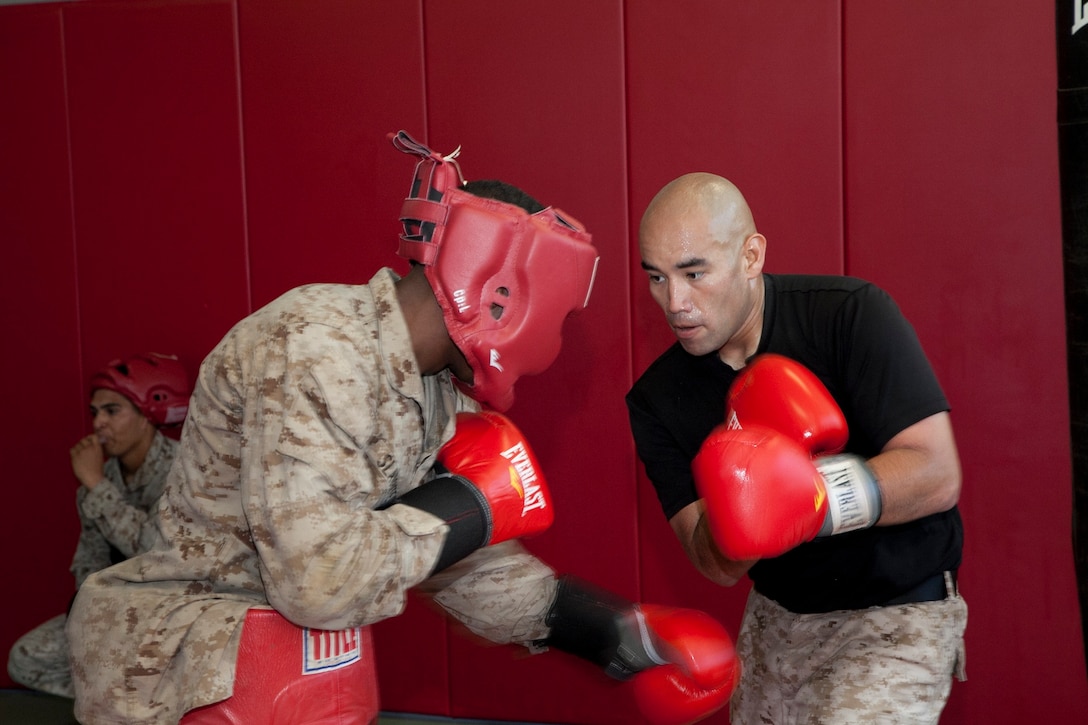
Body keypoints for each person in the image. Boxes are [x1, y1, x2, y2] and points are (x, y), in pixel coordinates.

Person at [66, 132, 739, 725]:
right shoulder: (316, 346)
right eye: (558, 316)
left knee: (316, 667)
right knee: (296, 662)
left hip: (269, 664)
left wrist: (611, 631)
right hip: (178, 662)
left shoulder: (440, 396)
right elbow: (318, 579)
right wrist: (471, 506)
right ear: (500, 289)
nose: (554, 340)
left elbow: (460, 566)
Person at [626, 172, 968, 724]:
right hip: (778, 617)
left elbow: (936, 473)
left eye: (694, 273)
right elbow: (714, 565)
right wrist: (742, 507)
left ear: (751, 255)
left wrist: (809, 498)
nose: (676, 302)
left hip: (899, 610)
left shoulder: (850, 315)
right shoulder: (657, 398)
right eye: (657, 279)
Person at [7, 352, 190, 698]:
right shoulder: (101, 477)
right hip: (117, 613)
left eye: (112, 411)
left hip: (172, 613)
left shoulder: (184, 469)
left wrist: (96, 487)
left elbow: (156, 549)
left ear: (147, 415)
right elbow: (89, 563)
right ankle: (123, 696)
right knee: (25, 659)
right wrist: (89, 619)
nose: (98, 423)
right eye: (95, 413)